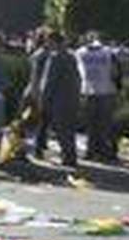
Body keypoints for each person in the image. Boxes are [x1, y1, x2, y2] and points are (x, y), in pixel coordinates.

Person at [27, 28, 82, 168]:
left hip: (57, 99)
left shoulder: (55, 57)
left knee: (60, 130)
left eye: (48, 41)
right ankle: (70, 156)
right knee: (68, 129)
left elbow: (48, 81)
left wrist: (42, 100)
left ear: (52, 41)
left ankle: (68, 158)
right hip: (71, 97)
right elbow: (78, 78)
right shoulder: (71, 56)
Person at [77, 32, 120, 162]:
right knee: (104, 124)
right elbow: (115, 72)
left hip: (90, 92)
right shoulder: (108, 52)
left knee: (92, 124)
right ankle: (105, 152)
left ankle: (93, 151)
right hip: (104, 91)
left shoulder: (80, 53)